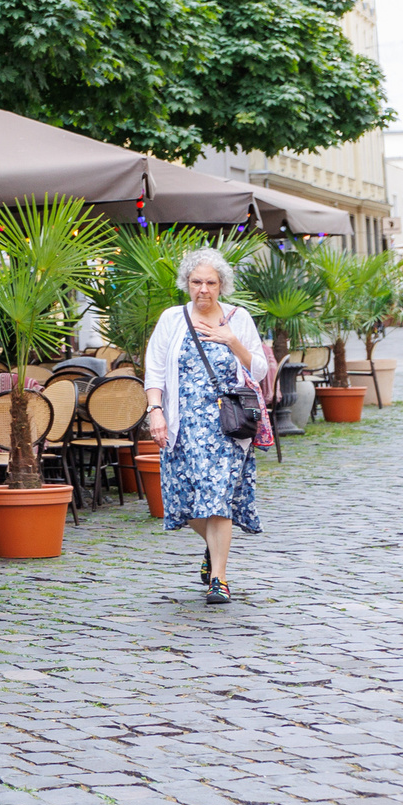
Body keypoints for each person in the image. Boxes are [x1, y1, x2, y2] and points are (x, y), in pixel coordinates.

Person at [144, 247, 270, 605]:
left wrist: (233, 342)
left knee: (217, 501)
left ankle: (220, 578)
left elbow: (259, 370)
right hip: (183, 427)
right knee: (184, 505)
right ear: (187, 283)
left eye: (211, 282)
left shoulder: (237, 318)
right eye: (197, 281)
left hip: (226, 427)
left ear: (221, 285)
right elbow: (154, 370)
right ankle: (213, 551)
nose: (203, 289)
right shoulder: (172, 319)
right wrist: (156, 412)